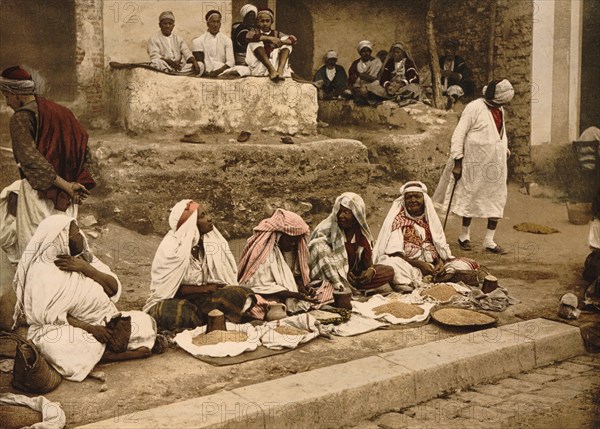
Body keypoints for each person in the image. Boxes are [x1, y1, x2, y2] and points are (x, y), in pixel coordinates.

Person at [12, 215, 158, 382]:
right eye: (74, 233)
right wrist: (91, 329)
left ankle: (101, 350)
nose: (80, 236)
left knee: (144, 322)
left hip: (103, 321)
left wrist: (86, 268)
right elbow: (51, 319)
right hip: (68, 329)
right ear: (60, 238)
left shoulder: (83, 258)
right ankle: (113, 354)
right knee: (58, 345)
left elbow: (113, 288)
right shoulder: (41, 272)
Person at [0, 66, 94, 265]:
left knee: (37, 252)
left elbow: (30, 160)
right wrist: (75, 183)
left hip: (38, 198)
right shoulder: (63, 112)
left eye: (6, 96)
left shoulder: (21, 117)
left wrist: (66, 186)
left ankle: (40, 294)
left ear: (15, 94)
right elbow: (84, 149)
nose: (7, 103)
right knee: (63, 250)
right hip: (66, 198)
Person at [143, 200, 255, 331]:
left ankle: (206, 321)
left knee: (242, 293)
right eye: (202, 216)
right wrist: (205, 289)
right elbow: (166, 289)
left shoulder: (209, 244)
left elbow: (221, 278)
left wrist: (215, 289)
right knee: (171, 312)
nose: (209, 219)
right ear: (190, 224)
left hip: (204, 300)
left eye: (207, 214)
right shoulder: (171, 249)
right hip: (179, 300)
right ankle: (209, 322)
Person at [433, 79, 515, 254]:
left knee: (496, 198)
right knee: (470, 196)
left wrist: (503, 148)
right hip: (474, 162)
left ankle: (489, 240)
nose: (506, 103)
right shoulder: (474, 107)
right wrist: (457, 160)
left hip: (495, 164)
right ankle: (464, 236)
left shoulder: (499, 109)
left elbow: (499, 132)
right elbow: (459, 134)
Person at [373, 181, 479, 291]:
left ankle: (435, 277)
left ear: (424, 199)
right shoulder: (398, 222)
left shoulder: (430, 221)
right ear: (404, 201)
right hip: (409, 265)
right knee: (390, 265)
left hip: (432, 267)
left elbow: (439, 246)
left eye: (417, 197)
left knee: (463, 264)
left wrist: (439, 263)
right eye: (409, 197)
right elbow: (395, 253)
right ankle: (419, 281)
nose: (413, 200)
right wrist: (419, 264)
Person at [238, 209, 333, 315]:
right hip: (266, 294)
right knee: (257, 307)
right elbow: (261, 287)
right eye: (289, 239)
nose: (293, 244)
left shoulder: (292, 249)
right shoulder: (263, 253)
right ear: (278, 236)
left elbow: (294, 275)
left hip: (290, 292)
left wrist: (302, 287)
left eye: (296, 240)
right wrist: (296, 295)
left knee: (327, 287)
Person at [309, 192, 394, 292]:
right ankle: (340, 289)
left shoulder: (360, 233)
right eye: (339, 212)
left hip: (354, 277)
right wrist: (343, 271)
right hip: (334, 276)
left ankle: (353, 288)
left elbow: (367, 263)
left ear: (356, 215)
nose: (341, 216)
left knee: (389, 271)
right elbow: (321, 256)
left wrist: (371, 271)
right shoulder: (326, 230)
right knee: (318, 245)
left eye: (346, 212)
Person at [245, 8, 296, 81]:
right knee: (254, 42)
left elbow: (293, 39)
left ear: (271, 22)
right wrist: (270, 39)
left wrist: (281, 42)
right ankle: (271, 70)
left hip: (275, 63)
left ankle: (280, 70)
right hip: (260, 65)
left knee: (287, 44)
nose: (265, 23)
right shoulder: (255, 31)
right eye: (262, 21)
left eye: (267, 21)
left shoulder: (276, 33)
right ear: (258, 22)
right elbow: (248, 36)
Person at [148, 11, 201, 75]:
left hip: (178, 68)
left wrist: (194, 61)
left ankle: (176, 75)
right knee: (156, 63)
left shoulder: (178, 39)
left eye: (170, 24)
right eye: (165, 23)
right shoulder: (154, 39)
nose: (167, 26)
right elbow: (155, 56)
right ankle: (176, 76)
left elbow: (187, 53)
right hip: (165, 67)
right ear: (160, 25)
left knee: (200, 65)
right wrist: (170, 62)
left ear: (173, 26)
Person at [192, 10, 234, 78]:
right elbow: (200, 62)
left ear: (220, 24)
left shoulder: (227, 40)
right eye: (213, 22)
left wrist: (218, 71)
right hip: (207, 70)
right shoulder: (198, 40)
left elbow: (231, 61)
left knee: (244, 69)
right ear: (207, 24)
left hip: (222, 70)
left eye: (218, 22)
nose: (215, 25)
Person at [438, 39, 474, 108]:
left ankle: (451, 100)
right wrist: (441, 72)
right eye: (449, 51)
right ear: (445, 51)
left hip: (454, 86)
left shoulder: (459, 61)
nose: (451, 53)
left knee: (455, 89)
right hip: (442, 85)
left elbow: (462, 75)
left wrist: (451, 74)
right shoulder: (440, 61)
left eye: (453, 51)